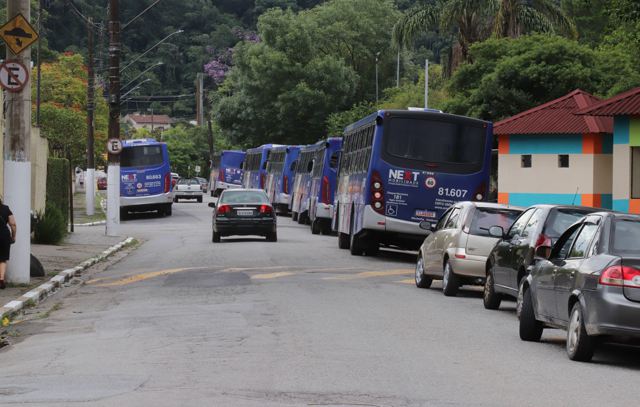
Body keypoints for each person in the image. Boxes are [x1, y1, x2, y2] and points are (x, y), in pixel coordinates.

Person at [0, 198, 16, 289]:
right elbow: (13, 224)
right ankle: (1, 280)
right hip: (4, 236)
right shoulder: (6, 208)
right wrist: (13, 236)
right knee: (2, 259)